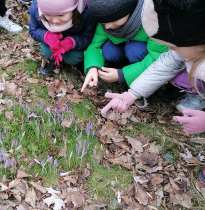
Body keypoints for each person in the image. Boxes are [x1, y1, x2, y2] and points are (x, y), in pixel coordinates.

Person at [100, 0, 205, 185]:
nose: (170, 49)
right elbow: (167, 63)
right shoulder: (190, 46)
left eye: (172, 44)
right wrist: (131, 94)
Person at [80, 0, 168, 92]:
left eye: (113, 20)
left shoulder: (153, 21)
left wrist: (122, 75)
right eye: (103, 22)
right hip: (123, 49)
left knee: (134, 50)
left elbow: (157, 58)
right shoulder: (105, 17)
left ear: (128, 10)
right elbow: (95, 46)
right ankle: (121, 67)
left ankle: (142, 81)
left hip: (143, 54)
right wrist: (92, 67)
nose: (107, 27)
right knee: (109, 50)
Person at [28, 0, 95, 76]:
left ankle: (80, 63)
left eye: (61, 15)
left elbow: (88, 37)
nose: (55, 21)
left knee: (74, 58)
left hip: (74, 45)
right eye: (48, 14)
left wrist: (71, 42)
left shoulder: (86, 12)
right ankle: (52, 61)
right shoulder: (36, 9)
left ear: (73, 9)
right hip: (51, 43)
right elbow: (33, 29)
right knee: (47, 51)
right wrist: (46, 36)